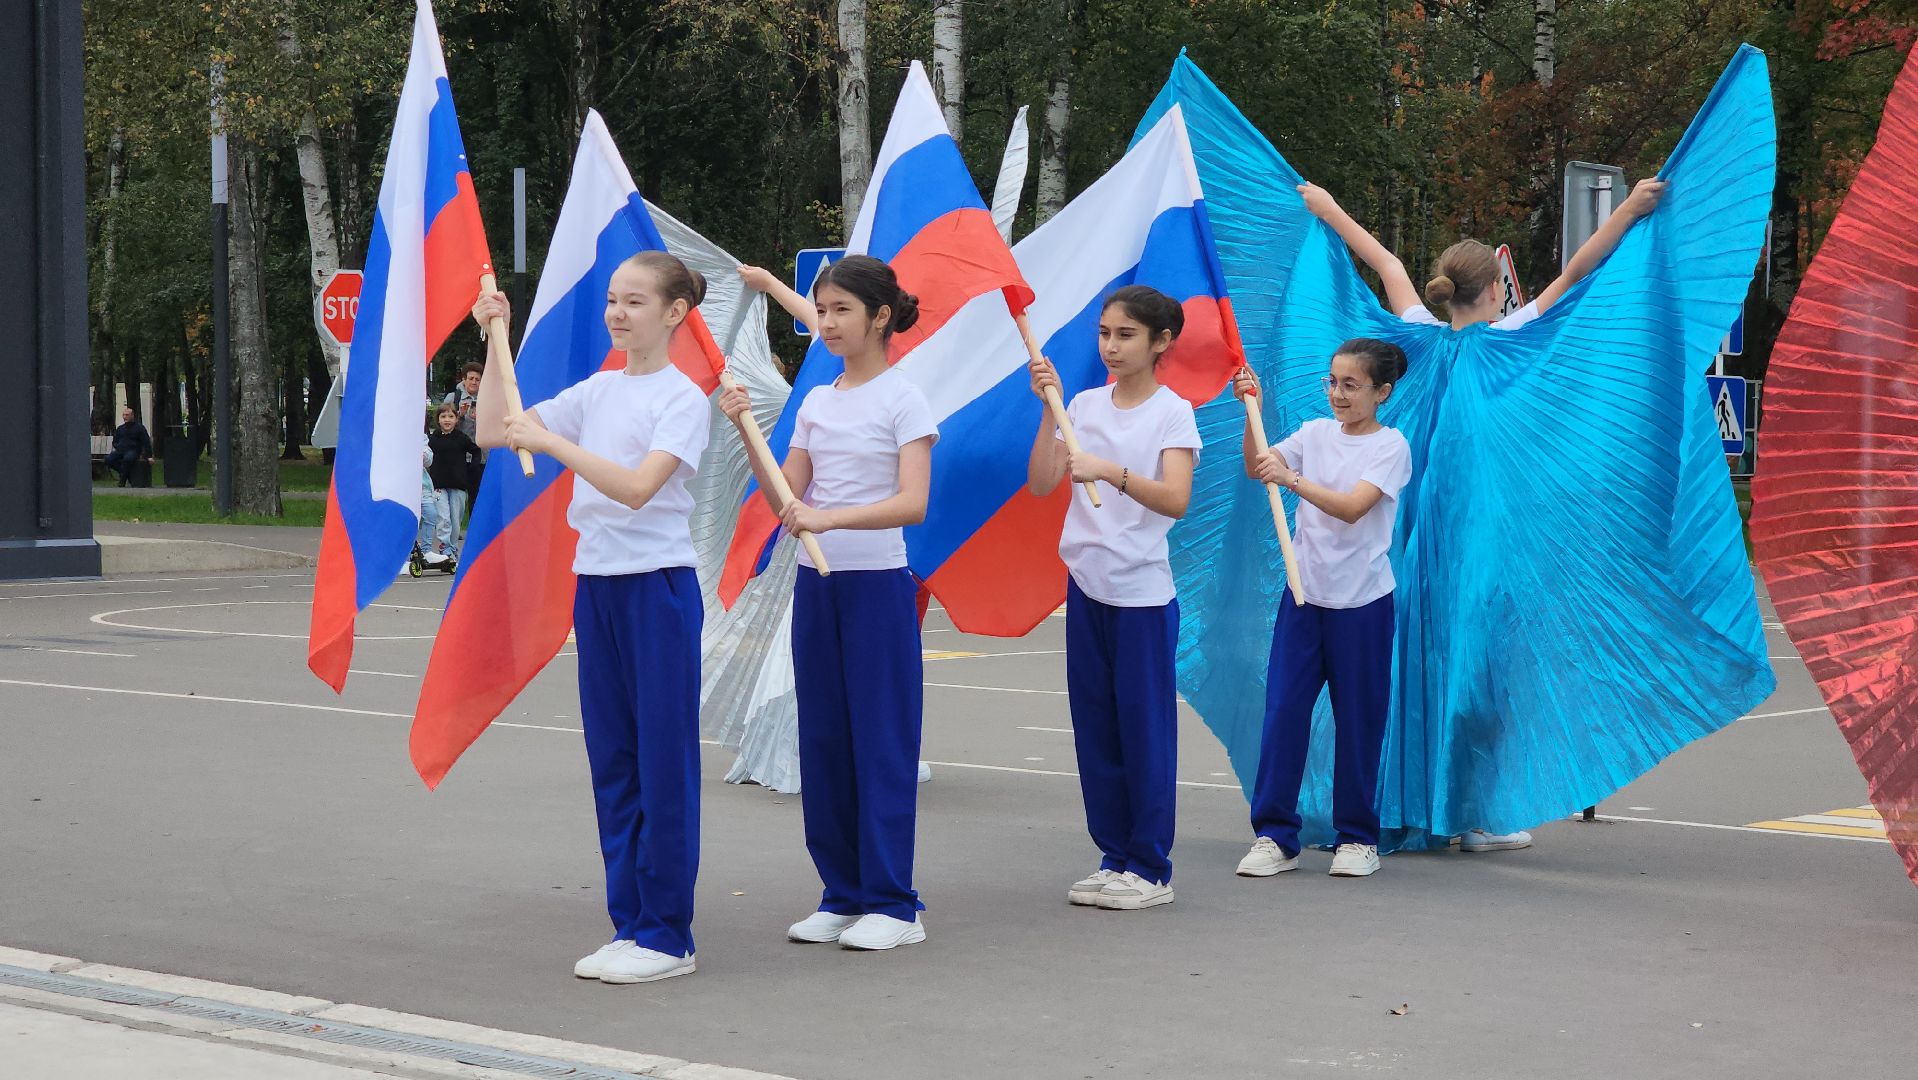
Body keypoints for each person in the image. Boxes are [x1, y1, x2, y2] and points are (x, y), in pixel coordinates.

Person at [1297, 177, 1666, 853]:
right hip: (1477, 536)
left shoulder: (1416, 339)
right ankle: (1469, 815)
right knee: (1475, 665)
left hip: (1411, 532)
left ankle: (1405, 802)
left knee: (1411, 659)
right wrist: (1632, 211)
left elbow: (1385, 264)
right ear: (1496, 287)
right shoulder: (1512, 339)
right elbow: (1580, 271)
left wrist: (1328, 209)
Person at [470, 249, 713, 985]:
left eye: (635, 301)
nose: (617, 312)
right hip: (599, 585)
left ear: (674, 313)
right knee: (614, 760)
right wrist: (492, 338)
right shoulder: (599, 390)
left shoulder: (682, 398)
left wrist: (554, 444)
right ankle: (629, 922)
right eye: (613, 299)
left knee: (662, 761)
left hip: (658, 588)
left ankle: (668, 934)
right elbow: (495, 432)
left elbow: (640, 488)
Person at [721, 254, 938, 952]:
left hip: (877, 585)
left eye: (842, 309)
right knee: (822, 739)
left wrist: (829, 519)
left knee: (880, 740)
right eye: (823, 308)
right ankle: (841, 892)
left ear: (880, 316)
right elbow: (787, 491)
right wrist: (745, 429)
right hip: (817, 586)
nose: (828, 321)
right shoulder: (818, 399)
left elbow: (913, 502)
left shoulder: (905, 397)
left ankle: (895, 904)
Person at [1025, 285, 1200, 910]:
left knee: (1143, 730)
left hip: (1142, 596)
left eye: (1126, 335)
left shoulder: (1172, 412)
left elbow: (1175, 499)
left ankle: (1151, 867)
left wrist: (1110, 471)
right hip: (1088, 587)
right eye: (1105, 333)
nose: (1111, 346)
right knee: (1095, 728)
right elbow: (1044, 483)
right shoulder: (1084, 403)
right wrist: (1049, 409)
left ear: (1161, 342)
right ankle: (1114, 855)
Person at [1232, 340, 1411, 879]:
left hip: (1362, 602)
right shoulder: (1313, 433)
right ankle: (1274, 835)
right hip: (1304, 596)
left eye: (1351, 385)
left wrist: (1293, 481)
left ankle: (1357, 838)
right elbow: (1257, 465)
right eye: (1331, 382)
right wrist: (1253, 413)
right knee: (1285, 711)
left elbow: (1355, 508)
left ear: (1381, 392)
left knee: (1360, 719)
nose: (1337, 394)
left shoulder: (1391, 446)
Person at [426, 404, 480, 558]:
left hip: (458, 485)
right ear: (438, 420)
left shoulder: (461, 438)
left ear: (456, 419)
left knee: (455, 520)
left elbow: (476, 451)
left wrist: (471, 468)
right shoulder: (432, 439)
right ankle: (445, 549)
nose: (447, 420)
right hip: (438, 485)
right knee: (443, 518)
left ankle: (453, 548)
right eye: (443, 417)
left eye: (450, 416)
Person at [105, 406, 152, 487]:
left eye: (127, 415)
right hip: (121, 450)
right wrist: (118, 446)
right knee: (108, 460)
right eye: (123, 415)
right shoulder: (120, 428)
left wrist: (149, 456)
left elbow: (146, 442)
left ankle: (122, 481)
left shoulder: (140, 428)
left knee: (127, 459)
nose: (124, 417)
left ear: (132, 416)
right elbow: (115, 441)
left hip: (134, 450)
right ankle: (126, 474)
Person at [444, 362, 482, 440]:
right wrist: (460, 415)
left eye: (477, 380)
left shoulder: (487, 400)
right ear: (464, 379)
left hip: (481, 450)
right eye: (471, 379)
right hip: (459, 449)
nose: (474, 382)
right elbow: (444, 425)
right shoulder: (453, 398)